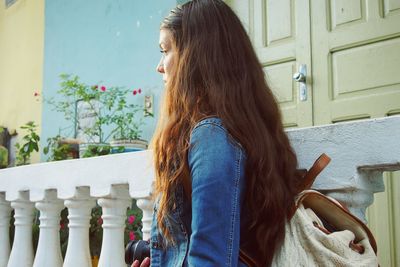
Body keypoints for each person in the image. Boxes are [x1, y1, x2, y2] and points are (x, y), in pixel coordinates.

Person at [133, 0, 302, 266]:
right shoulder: (227, 131)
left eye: (166, 50)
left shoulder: (211, 136)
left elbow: (209, 260)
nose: (160, 66)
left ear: (195, 57)